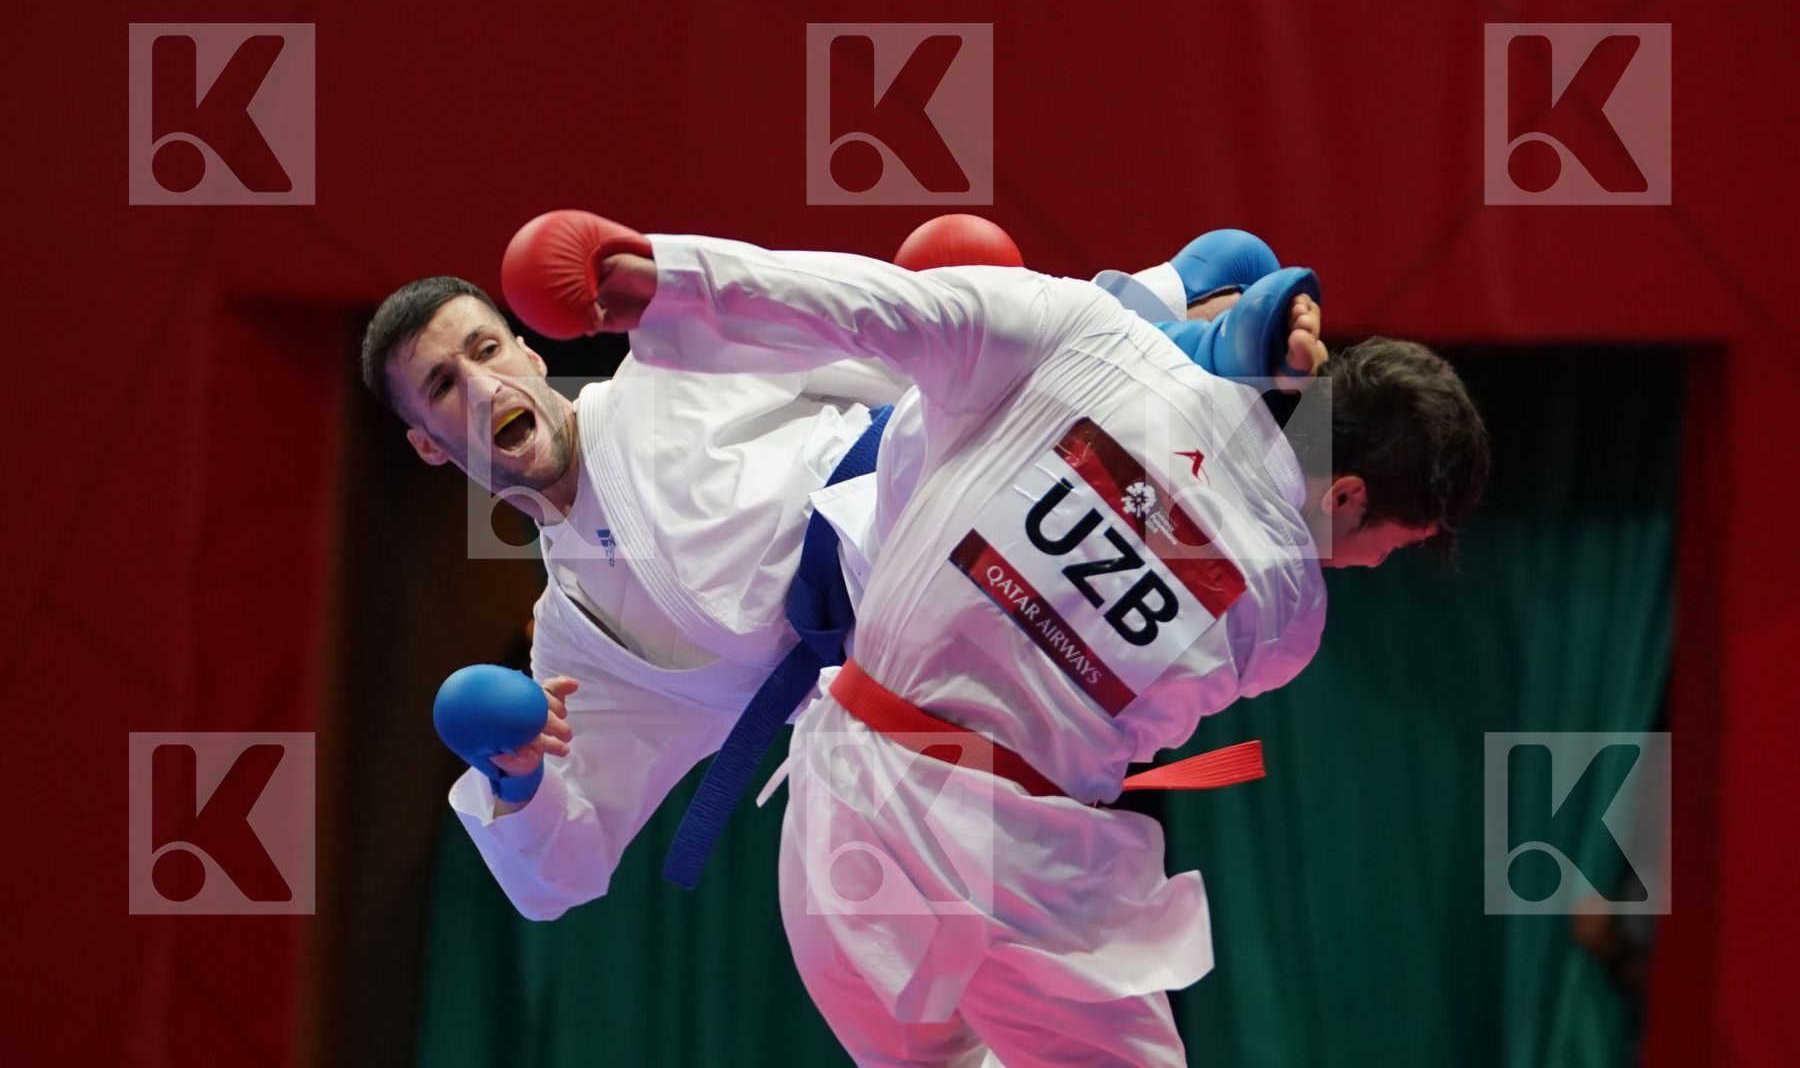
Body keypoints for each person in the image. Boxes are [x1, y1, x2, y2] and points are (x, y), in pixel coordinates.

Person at [587, 227, 1489, 1067]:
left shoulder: (1093, 334)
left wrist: (667, 279)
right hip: (1010, 871)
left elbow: (879, 303)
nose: (1373, 567)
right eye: (1394, 545)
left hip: (839, 807)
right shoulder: (1287, 619)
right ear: (1347, 498)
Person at [360, 216, 1317, 919]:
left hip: (944, 499)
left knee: (964, 331)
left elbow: (871, 327)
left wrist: (664, 276)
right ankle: (1190, 340)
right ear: (428, 445)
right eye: (445, 386)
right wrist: (517, 778)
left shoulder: (674, 368)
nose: (484, 389)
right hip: (922, 708)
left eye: (486, 350)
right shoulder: (584, 645)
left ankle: (1184, 331)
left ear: (528, 349)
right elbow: (557, 878)